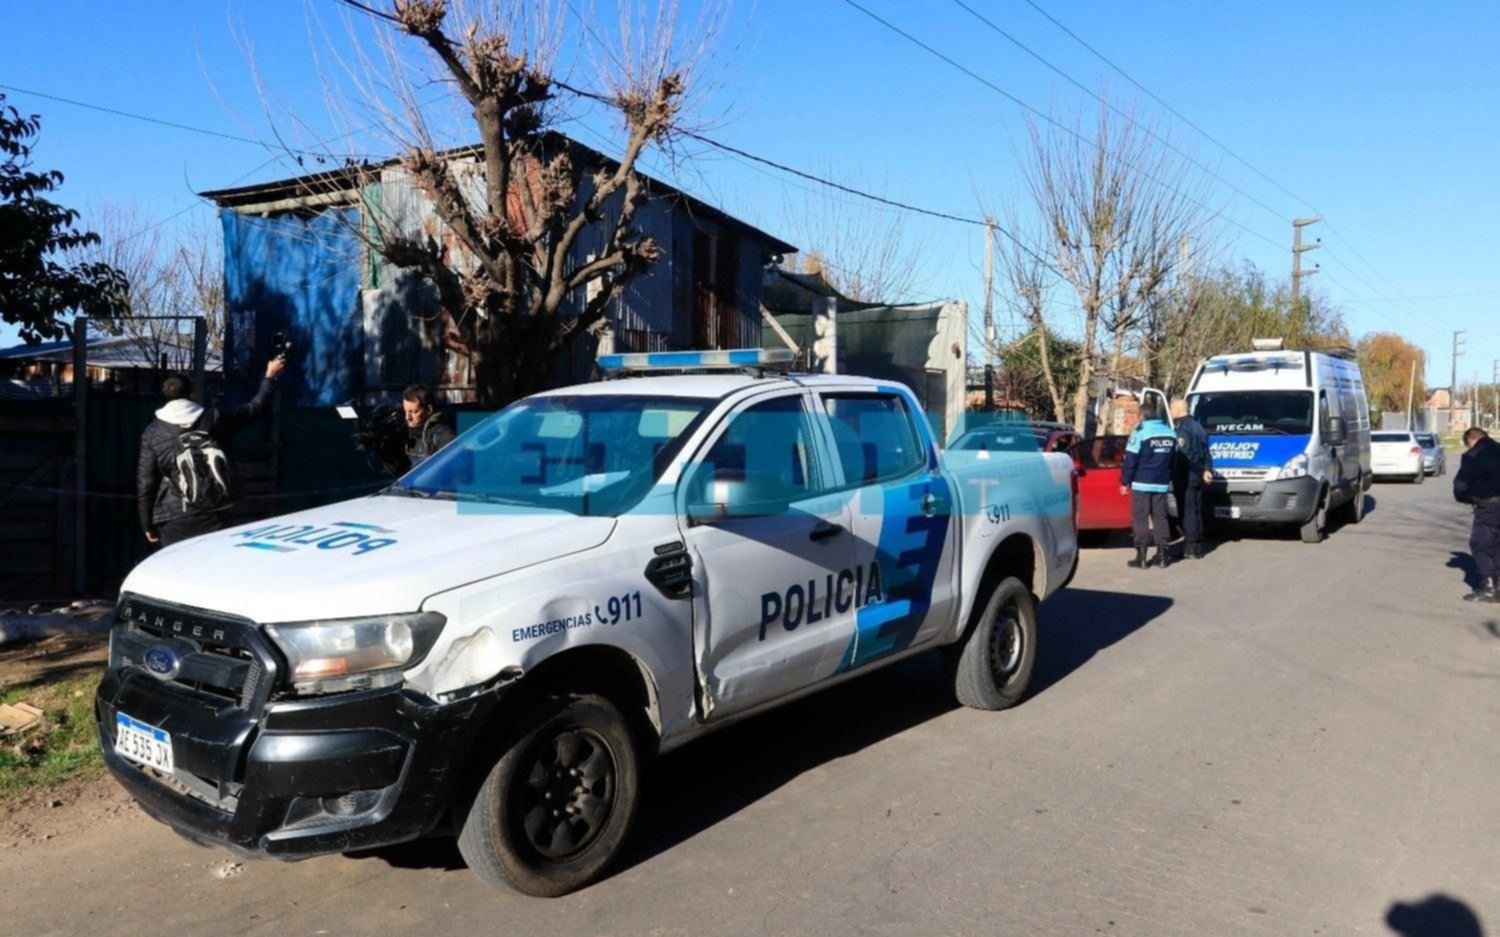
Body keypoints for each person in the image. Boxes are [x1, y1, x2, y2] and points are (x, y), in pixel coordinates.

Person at [137, 355, 285, 547]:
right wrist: (269, 376)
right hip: (217, 512)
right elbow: (255, 408)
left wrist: (147, 524)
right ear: (193, 394)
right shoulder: (215, 418)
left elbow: (146, 484)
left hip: (173, 518)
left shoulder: (153, 432)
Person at [1120, 400, 1178, 569]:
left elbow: (1130, 459)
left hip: (1141, 483)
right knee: (1160, 517)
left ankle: (1142, 556)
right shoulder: (1170, 433)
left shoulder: (1140, 432)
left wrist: (1125, 482)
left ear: (1142, 416)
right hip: (1161, 483)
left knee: (1140, 518)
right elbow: (1174, 459)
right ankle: (1162, 555)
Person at [1452, 426, 1500, 601]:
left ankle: (1488, 587)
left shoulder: (1474, 455)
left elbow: (1461, 484)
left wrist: (1465, 498)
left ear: (1471, 441)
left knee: (1481, 543)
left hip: (1488, 505)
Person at [1170, 398, 1216, 559]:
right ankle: (1197, 546)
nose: (1170, 412)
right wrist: (1207, 469)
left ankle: (1189, 548)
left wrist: (1202, 471)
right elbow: (1207, 453)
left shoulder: (1181, 428)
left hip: (1186, 475)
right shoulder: (1199, 427)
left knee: (1187, 511)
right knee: (1196, 511)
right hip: (1198, 477)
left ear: (1177, 410)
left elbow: (1186, 455)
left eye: (1171, 408)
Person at [403, 384, 456, 469]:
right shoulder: (405, 432)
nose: (407, 417)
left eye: (414, 412)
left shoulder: (441, 434)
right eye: (405, 411)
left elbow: (454, 461)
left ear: (428, 409)